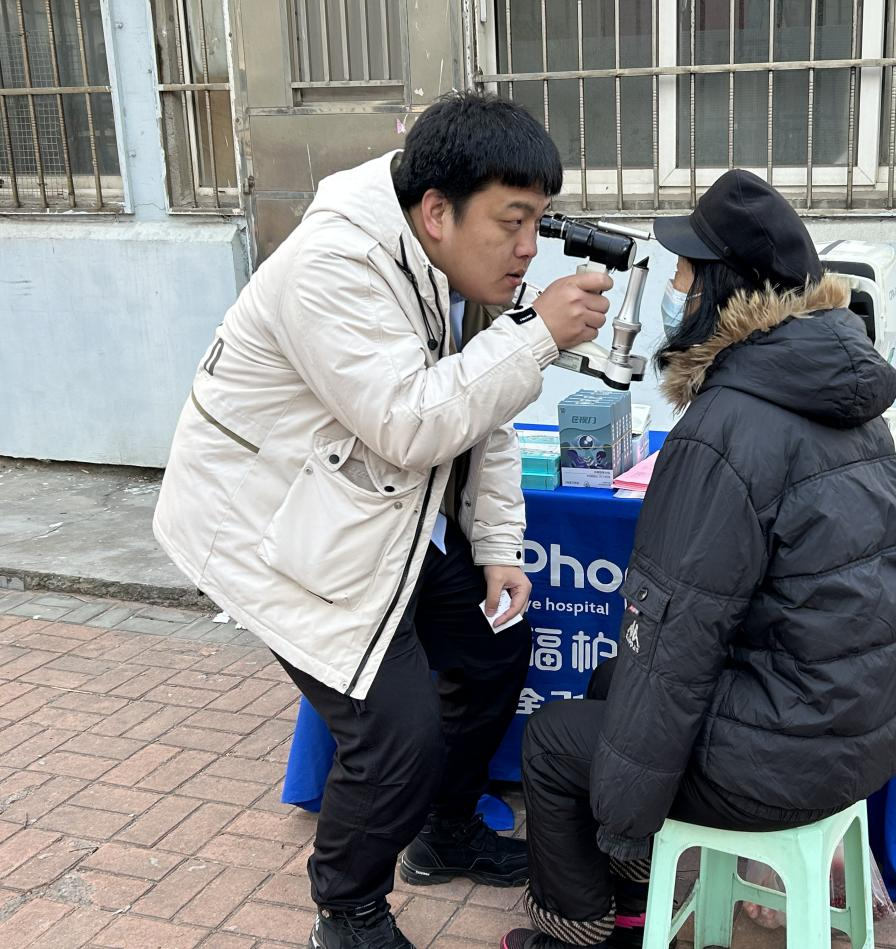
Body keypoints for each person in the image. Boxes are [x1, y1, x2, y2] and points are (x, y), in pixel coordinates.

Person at [153, 91, 613, 949]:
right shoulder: (335, 265)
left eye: (539, 223)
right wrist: (536, 333)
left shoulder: (440, 258)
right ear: (437, 210)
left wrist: (499, 546)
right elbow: (411, 421)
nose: (528, 249)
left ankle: (444, 832)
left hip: (360, 508)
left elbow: (483, 411)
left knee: (493, 640)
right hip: (270, 526)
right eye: (512, 221)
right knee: (396, 730)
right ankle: (349, 910)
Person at [502, 169, 896, 949]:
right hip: (862, 732)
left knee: (554, 741)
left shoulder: (724, 427)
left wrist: (626, 821)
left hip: (787, 753)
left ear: (724, 290)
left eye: (683, 271)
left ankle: (582, 932)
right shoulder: (847, 399)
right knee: (609, 683)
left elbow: (674, 638)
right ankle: (637, 897)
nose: (672, 287)